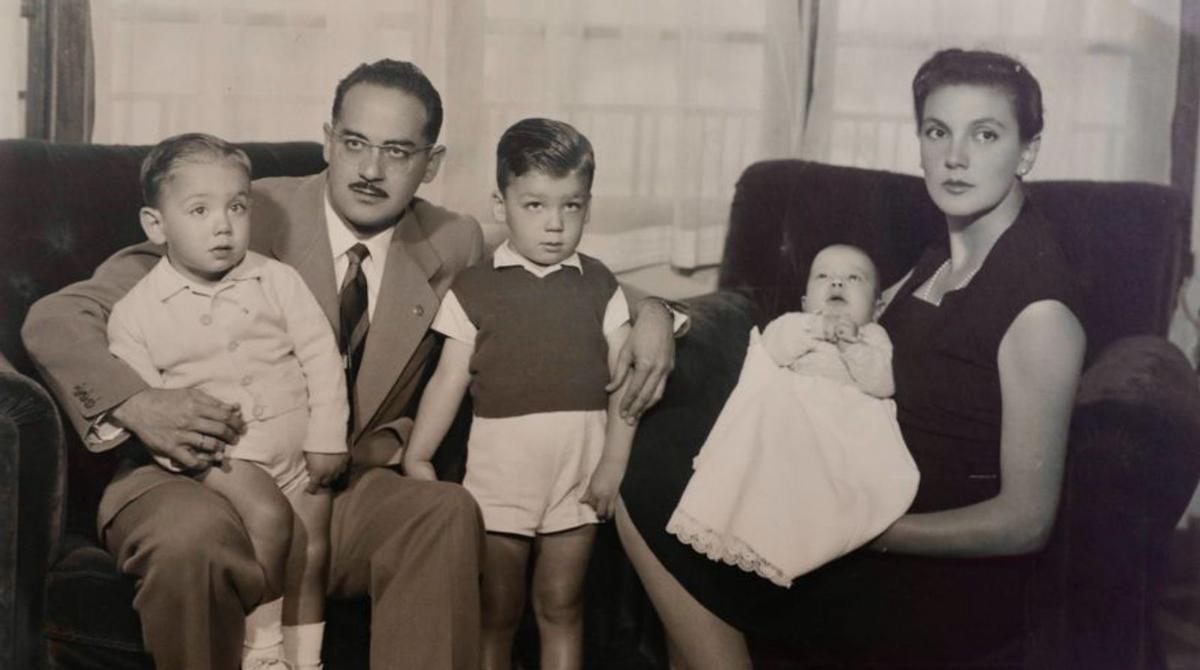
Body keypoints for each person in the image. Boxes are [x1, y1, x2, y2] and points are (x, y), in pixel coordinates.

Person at [22, 58, 679, 670]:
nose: (370, 169)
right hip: (201, 477)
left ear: (431, 163)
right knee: (193, 538)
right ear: (328, 141)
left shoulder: (451, 239)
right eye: (355, 142)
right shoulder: (246, 210)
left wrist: (655, 313)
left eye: (397, 151)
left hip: (343, 484)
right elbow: (59, 317)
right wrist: (140, 403)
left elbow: (551, 273)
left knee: (445, 511)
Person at [616, 48, 1086, 668]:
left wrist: (861, 532)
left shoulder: (1039, 311)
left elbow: (1025, 523)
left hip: (919, 580)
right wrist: (657, 312)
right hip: (854, 512)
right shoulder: (940, 260)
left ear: (1027, 151)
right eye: (937, 131)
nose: (955, 157)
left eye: (986, 134)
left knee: (652, 486)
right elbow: (804, 315)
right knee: (657, 460)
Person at [106, 133, 349, 670]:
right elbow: (150, 409)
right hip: (227, 456)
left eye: (237, 207)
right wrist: (191, 457)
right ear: (156, 225)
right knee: (268, 517)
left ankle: (305, 661)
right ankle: (261, 648)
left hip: (298, 450)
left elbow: (321, 356)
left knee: (311, 553)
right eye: (199, 210)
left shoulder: (276, 279)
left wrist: (328, 437)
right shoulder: (136, 313)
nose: (223, 225)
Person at [403, 117, 637, 670]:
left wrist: (612, 465)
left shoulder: (601, 283)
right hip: (499, 478)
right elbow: (448, 379)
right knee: (497, 611)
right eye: (535, 205)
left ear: (587, 207)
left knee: (562, 605)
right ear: (500, 205)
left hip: (579, 475)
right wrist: (418, 455)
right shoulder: (474, 287)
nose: (555, 225)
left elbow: (626, 379)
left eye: (571, 206)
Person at [666, 244, 918, 588]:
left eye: (853, 278)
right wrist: (814, 326)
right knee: (768, 449)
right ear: (804, 302)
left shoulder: (873, 336)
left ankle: (809, 533)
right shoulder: (796, 324)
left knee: (836, 483)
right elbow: (772, 347)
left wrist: (852, 346)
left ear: (877, 307)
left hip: (844, 426)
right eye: (823, 276)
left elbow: (882, 383)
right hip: (794, 416)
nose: (837, 283)